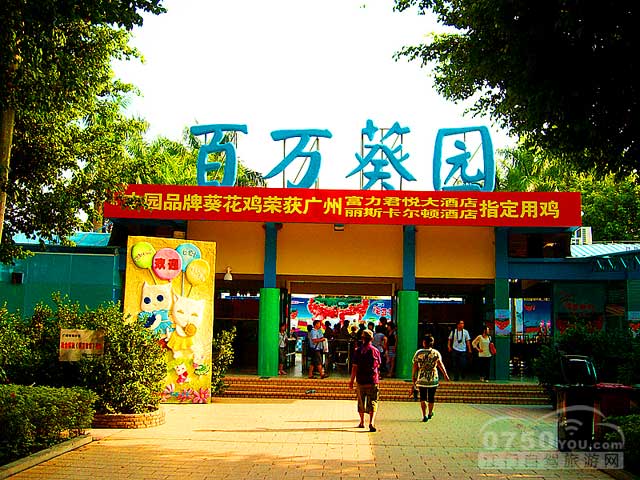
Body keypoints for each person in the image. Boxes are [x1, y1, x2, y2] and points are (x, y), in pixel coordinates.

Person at [348, 329, 381, 432]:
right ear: (372, 339)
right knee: (373, 401)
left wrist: (351, 381)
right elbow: (378, 365)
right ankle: (371, 422)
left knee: (361, 401)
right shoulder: (375, 351)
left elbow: (354, 367)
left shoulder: (358, 351)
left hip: (360, 380)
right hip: (372, 380)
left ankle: (362, 422)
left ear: (362, 338)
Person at [412, 334, 450, 422]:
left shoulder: (419, 353)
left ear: (424, 342)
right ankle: (430, 413)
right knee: (431, 397)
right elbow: (440, 364)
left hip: (422, 378)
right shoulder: (436, 353)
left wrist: (413, 376)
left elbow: (415, 366)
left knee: (423, 397)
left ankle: (424, 415)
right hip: (433, 378)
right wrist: (445, 374)